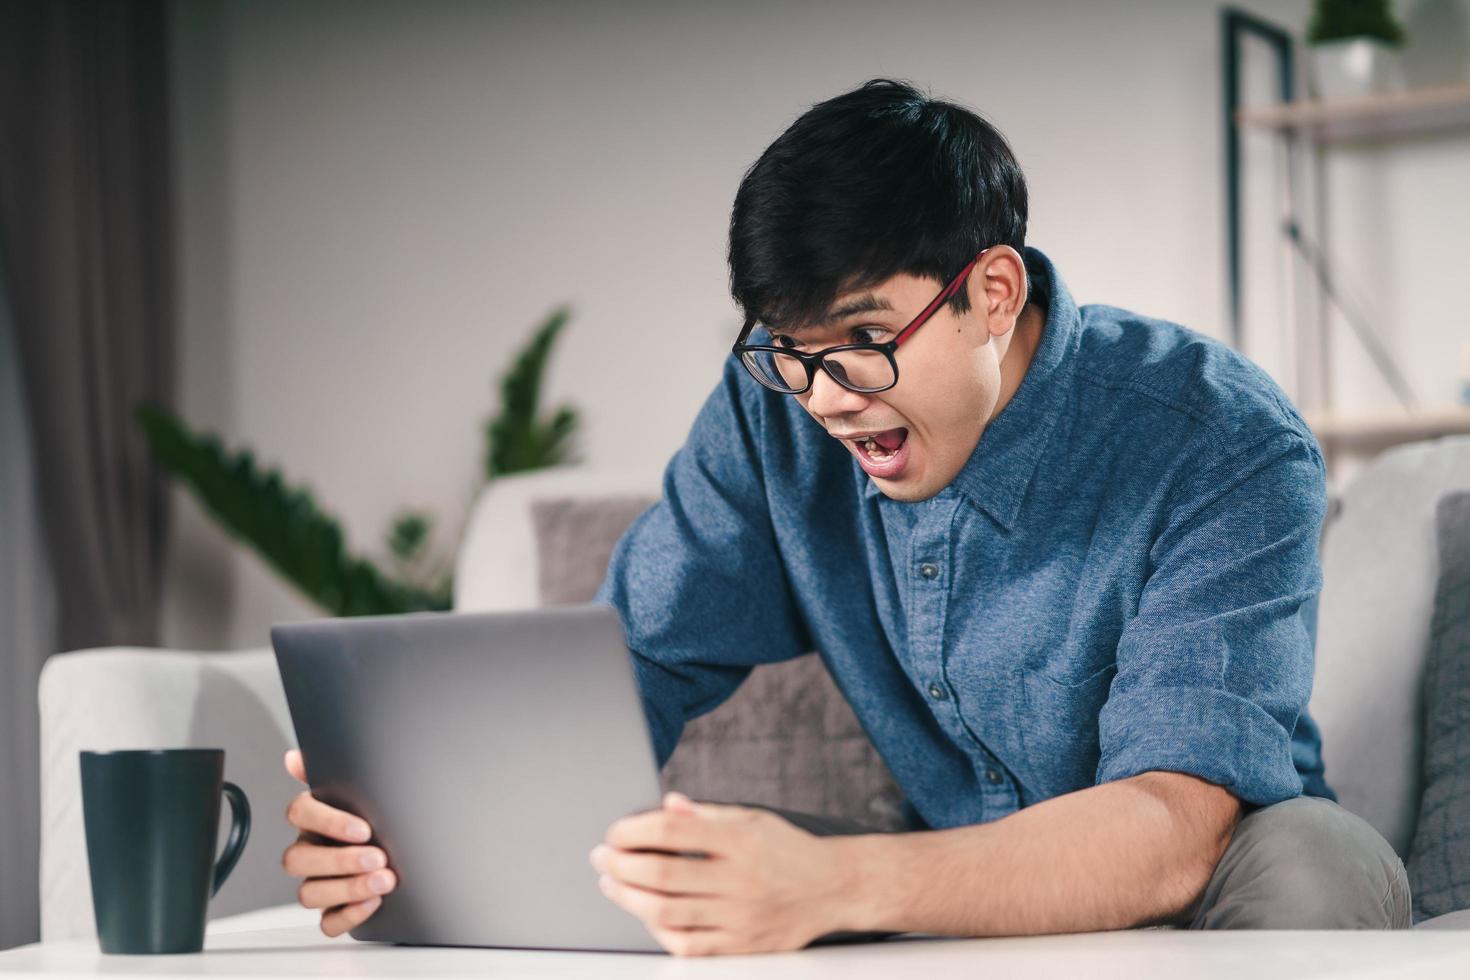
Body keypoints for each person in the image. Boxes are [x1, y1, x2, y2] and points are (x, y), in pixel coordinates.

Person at [279, 79, 1411, 955]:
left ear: (992, 293)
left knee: (1311, 860)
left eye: (863, 344)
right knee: (667, 862)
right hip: (948, 871)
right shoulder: (772, 410)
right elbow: (621, 668)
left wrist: (842, 882)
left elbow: (1175, 819)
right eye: (791, 353)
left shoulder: (1216, 434)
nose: (825, 400)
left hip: (1222, 864)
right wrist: (406, 832)